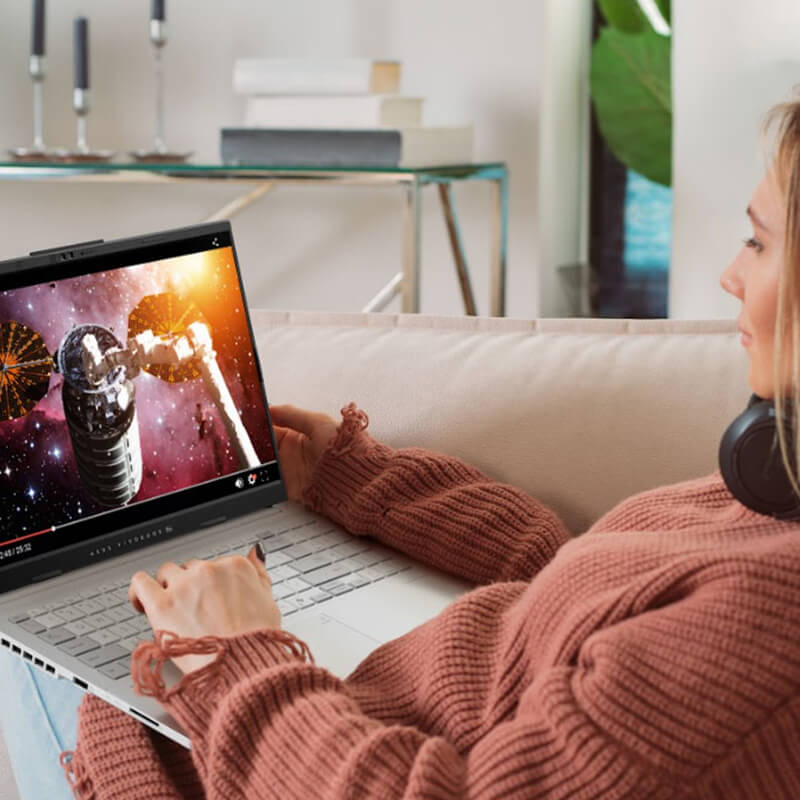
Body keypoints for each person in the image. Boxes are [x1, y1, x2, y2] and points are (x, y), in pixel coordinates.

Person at [3, 101, 800, 800]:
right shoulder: (772, 493)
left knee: (29, 606)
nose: (731, 275)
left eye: (758, 244)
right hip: (314, 700)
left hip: (183, 755)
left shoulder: (765, 641)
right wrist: (355, 479)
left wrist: (238, 656)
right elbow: (566, 577)